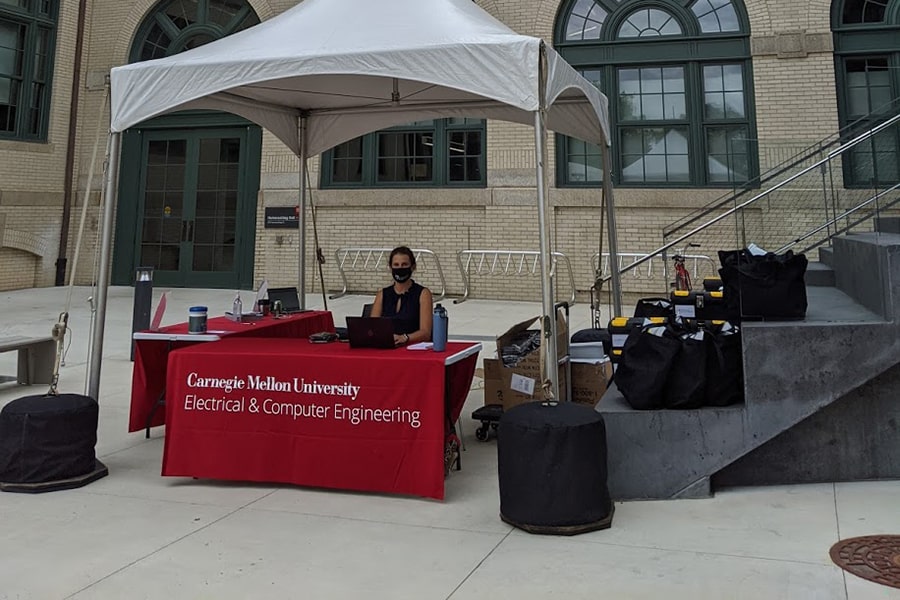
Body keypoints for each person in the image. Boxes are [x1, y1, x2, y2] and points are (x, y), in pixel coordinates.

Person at [370, 246, 434, 347]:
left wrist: (405, 338)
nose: (400, 268)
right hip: (386, 347)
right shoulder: (382, 294)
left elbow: (426, 333)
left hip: (411, 347)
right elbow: (372, 327)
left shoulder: (423, 293)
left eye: (404, 264)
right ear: (391, 267)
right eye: (396, 265)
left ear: (413, 267)